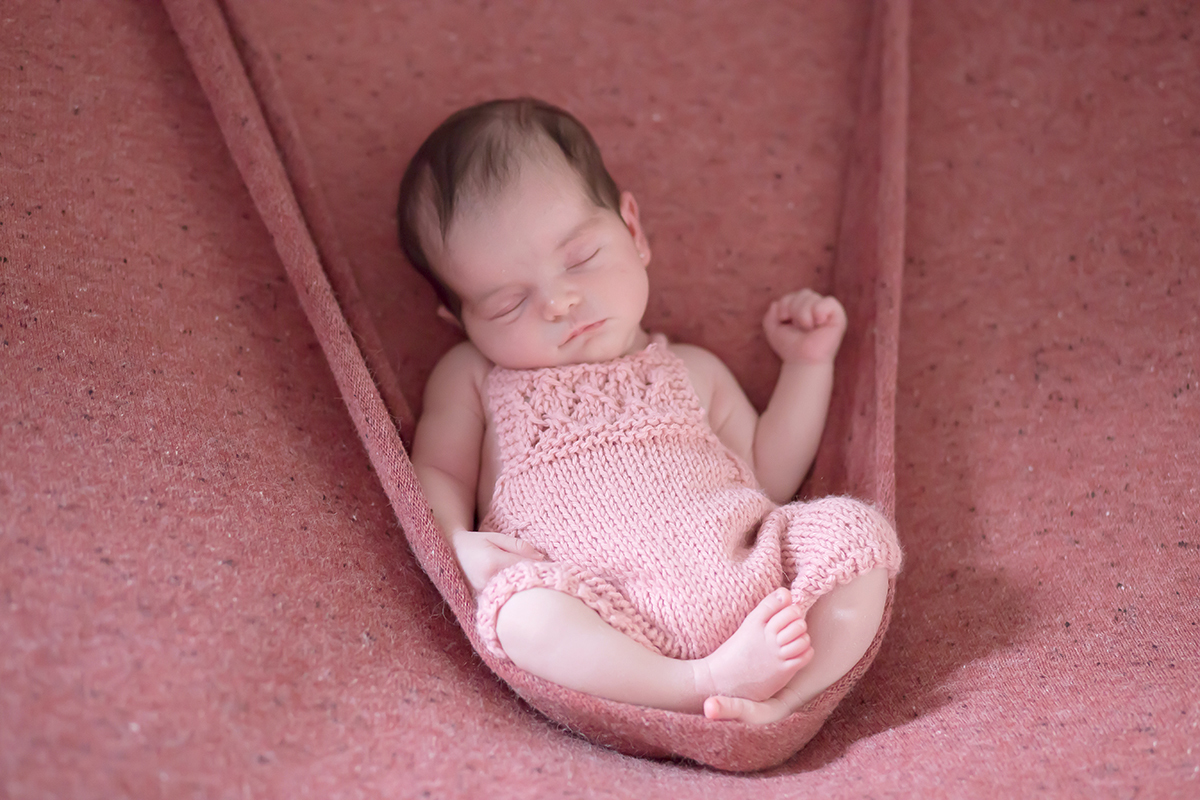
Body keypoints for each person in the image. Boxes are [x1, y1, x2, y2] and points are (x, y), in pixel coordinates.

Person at [399, 97, 901, 725]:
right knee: (517, 613)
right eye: (506, 304)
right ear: (460, 321)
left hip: (753, 590)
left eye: (580, 259)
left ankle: (788, 703)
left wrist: (807, 366)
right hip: (602, 612)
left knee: (856, 535)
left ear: (633, 231)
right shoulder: (476, 378)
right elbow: (436, 474)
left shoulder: (694, 370)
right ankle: (693, 684)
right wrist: (460, 544)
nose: (559, 301)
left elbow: (769, 472)